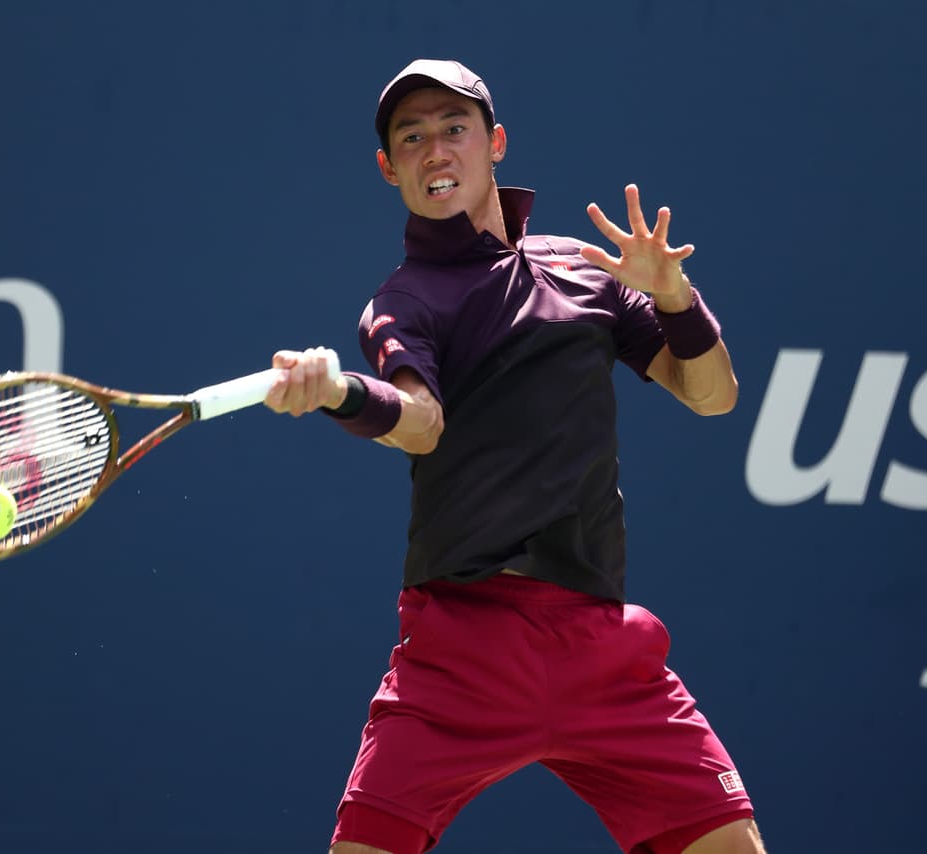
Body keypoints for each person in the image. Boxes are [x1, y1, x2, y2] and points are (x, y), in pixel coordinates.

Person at [264, 58, 767, 854]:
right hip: (462, 651)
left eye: (455, 129)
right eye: (413, 137)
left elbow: (711, 394)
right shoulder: (404, 302)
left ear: (495, 143)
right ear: (388, 168)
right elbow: (421, 422)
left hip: (603, 643)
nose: (437, 151)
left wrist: (673, 296)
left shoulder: (586, 270)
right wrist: (339, 393)